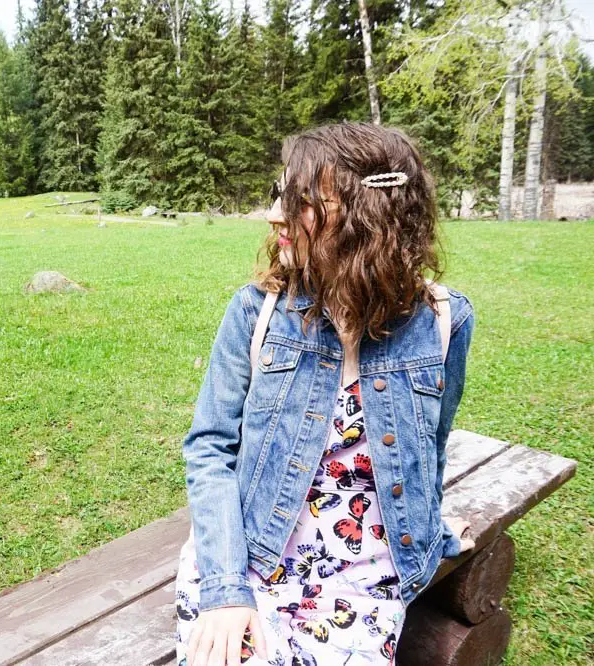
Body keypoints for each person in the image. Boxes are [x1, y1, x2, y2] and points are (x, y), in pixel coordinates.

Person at [174, 121, 476, 666]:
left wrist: (428, 528)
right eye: (277, 195)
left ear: (366, 215)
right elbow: (209, 449)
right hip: (250, 553)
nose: (273, 215)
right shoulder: (256, 311)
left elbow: (431, 441)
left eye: (298, 200)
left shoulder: (444, 321)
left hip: (363, 574)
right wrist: (225, 590)